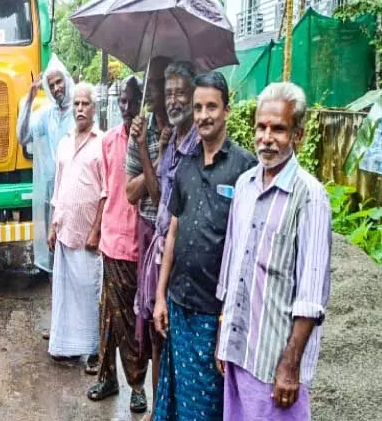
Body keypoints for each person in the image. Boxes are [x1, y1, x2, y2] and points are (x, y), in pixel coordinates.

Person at [215, 82, 331, 421]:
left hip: (274, 364)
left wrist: (290, 366)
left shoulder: (310, 196)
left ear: (298, 135)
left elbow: (311, 295)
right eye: (261, 127)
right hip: (238, 353)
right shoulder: (245, 185)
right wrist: (225, 339)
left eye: (278, 128)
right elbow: (231, 268)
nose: (267, 137)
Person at [152, 72, 257, 420]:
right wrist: (160, 297)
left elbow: (249, 247)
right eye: (198, 108)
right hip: (179, 306)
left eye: (211, 106)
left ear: (227, 110)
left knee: (210, 405)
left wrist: (232, 317)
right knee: (180, 401)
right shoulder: (186, 165)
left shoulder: (245, 170)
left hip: (216, 313)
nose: (203, 115)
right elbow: (173, 232)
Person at [130, 60, 196, 420]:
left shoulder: (197, 144)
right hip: (161, 254)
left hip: (186, 262)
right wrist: (147, 149)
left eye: (179, 94)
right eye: (167, 93)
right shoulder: (170, 143)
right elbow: (157, 202)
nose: (172, 100)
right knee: (157, 340)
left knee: (176, 345)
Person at [87, 77, 148, 414]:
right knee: (108, 315)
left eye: (132, 101)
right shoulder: (109, 141)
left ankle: (137, 385)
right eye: (122, 102)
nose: (126, 108)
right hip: (112, 240)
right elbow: (106, 191)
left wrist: (142, 145)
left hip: (139, 244)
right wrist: (97, 231)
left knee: (131, 320)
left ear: (142, 103)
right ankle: (107, 376)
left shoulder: (149, 141)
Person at [46, 82, 105, 369]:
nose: (80, 108)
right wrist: (52, 226)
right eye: (77, 104)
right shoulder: (65, 142)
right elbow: (57, 188)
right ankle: (68, 346)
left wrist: (96, 230)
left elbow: (106, 192)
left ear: (95, 108)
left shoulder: (101, 143)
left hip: (88, 234)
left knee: (89, 290)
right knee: (66, 291)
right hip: (65, 228)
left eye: (86, 104)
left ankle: (94, 350)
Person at [17, 55, 75, 276]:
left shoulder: (79, 111)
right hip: (54, 197)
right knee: (55, 254)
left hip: (77, 194)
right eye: (51, 85)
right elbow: (23, 137)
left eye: (59, 82)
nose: (57, 88)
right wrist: (30, 99)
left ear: (67, 81)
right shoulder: (47, 116)